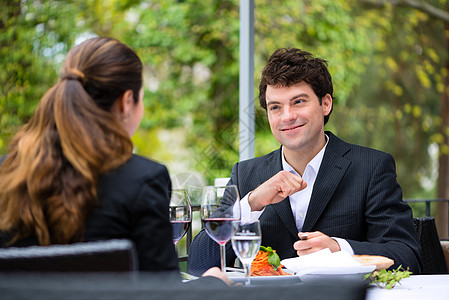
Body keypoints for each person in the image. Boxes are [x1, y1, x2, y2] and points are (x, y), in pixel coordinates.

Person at [0, 36, 230, 285]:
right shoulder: (143, 181)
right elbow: (164, 295)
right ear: (127, 101)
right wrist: (214, 283)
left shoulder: (6, 173)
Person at [188, 48, 422, 276]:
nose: (287, 116)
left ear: (326, 103)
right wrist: (252, 203)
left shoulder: (371, 167)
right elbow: (198, 263)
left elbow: (407, 256)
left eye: (298, 102)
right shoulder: (245, 174)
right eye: (275, 107)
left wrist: (339, 249)